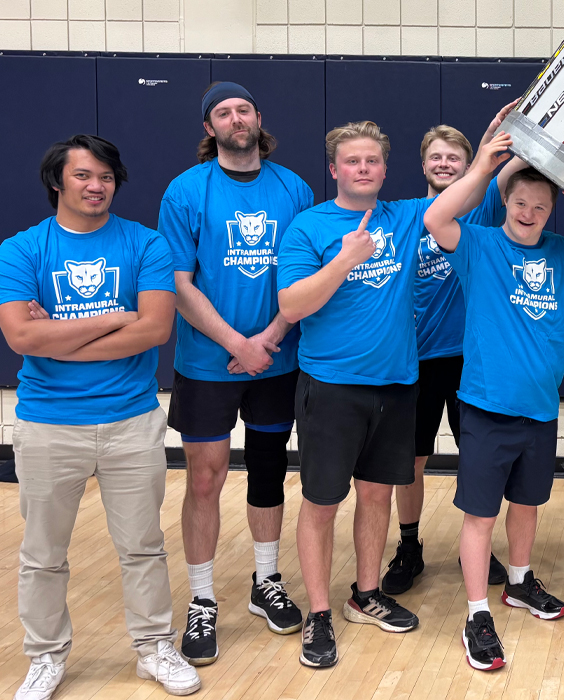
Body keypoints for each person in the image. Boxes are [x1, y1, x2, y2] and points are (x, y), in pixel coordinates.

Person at [276, 118, 498, 668]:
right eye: (353, 161)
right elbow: (291, 306)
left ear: (384, 169)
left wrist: (489, 152)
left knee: (376, 496)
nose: (363, 169)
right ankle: (320, 613)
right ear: (334, 170)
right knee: (322, 503)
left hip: (397, 387)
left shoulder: (402, 216)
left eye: (372, 161)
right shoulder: (309, 227)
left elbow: (458, 198)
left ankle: (365, 594)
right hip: (331, 388)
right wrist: (345, 259)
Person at [0, 135, 201, 699]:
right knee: (42, 555)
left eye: (107, 177)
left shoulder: (146, 244)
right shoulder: (21, 250)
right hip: (46, 423)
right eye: (85, 176)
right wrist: (114, 316)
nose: (97, 186)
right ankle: (44, 657)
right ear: (57, 182)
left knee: (142, 546)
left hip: (130, 421)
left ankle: (154, 647)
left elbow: (155, 330)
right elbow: (19, 335)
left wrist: (53, 339)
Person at [423, 132, 564, 670]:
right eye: (519, 203)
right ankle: (476, 611)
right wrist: (485, 164)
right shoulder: (480, 246)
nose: (529, 211)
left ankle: (518, 581)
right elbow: (437, 220)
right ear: (504, 204)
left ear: (551, 211)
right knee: (480, 515)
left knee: (528, 505)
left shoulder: (561, 252)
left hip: (541, 408)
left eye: (540, 205)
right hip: (487, 406)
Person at [158, 81, 313, 665]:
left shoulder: (293, 187)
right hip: (207, 361)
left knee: (270, 473)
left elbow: (307, 274)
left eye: (243, 108)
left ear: (257, 118)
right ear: (210, 128)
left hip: (276, 358)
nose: (235, 118)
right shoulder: (185, 191)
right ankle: (202, 600)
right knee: (205, 478)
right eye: (222, 112)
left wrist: (266, 340)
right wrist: (233, 342)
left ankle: (265, 583)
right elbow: (177, 281)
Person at [384, 110, 526, 596]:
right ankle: (408, 546)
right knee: (413, 461)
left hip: (471, 360)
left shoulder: (481, 209)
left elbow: (504, 165)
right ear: (423, 164)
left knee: (478, 459)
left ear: (468, 163)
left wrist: (493, 136)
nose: (444, 164)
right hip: (416, 359)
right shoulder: (403, 215)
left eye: (455, 158)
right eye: (436, 157)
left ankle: (479, 548)